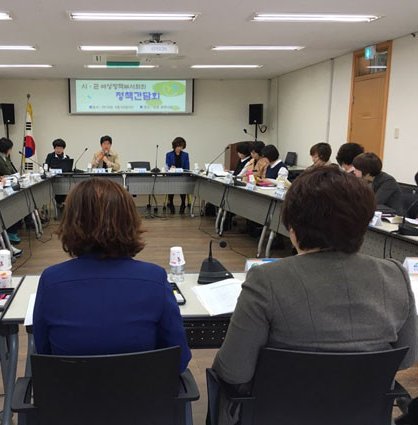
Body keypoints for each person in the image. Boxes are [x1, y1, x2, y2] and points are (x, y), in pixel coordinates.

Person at [212, 166, 416, 425]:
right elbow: (406, 358)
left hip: (279, 415)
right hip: (361, 414)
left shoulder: (267, 279)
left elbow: (233, 371)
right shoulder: (395, 275)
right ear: (364, 225)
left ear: (293, 229)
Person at [33, 178, 191, 373]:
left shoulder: (51, 281)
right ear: (129, 220)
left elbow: (44, 353)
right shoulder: (154, 279)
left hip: (70, 390)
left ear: (71, 222)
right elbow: (179, 359)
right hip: (142, 390)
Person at [166, 137, 190, 214]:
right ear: (175, 146)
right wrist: (171, 167)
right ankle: (171, 203)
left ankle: (183, 204)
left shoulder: (185, 155)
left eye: (181, 146)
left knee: (183, 185)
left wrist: (183, 170)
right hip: (172, 176)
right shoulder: (169, 154)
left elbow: (187, 168)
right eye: (178, 146)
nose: (180, 148)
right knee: (171, 186)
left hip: (182, 176)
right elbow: (167, 166)